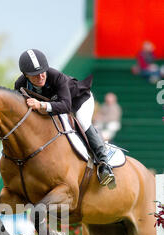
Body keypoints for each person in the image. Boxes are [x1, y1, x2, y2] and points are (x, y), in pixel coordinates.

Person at [14, 49, 115, 186]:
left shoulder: (56, 77)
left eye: (42, 72)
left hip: (79, 101)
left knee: (83, 122)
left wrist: (41, 105)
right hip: (56, 107)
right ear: (25, 75)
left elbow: (66, 106)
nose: (41, 77)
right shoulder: (20, 85)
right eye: (35, 75)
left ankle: (104, 164)